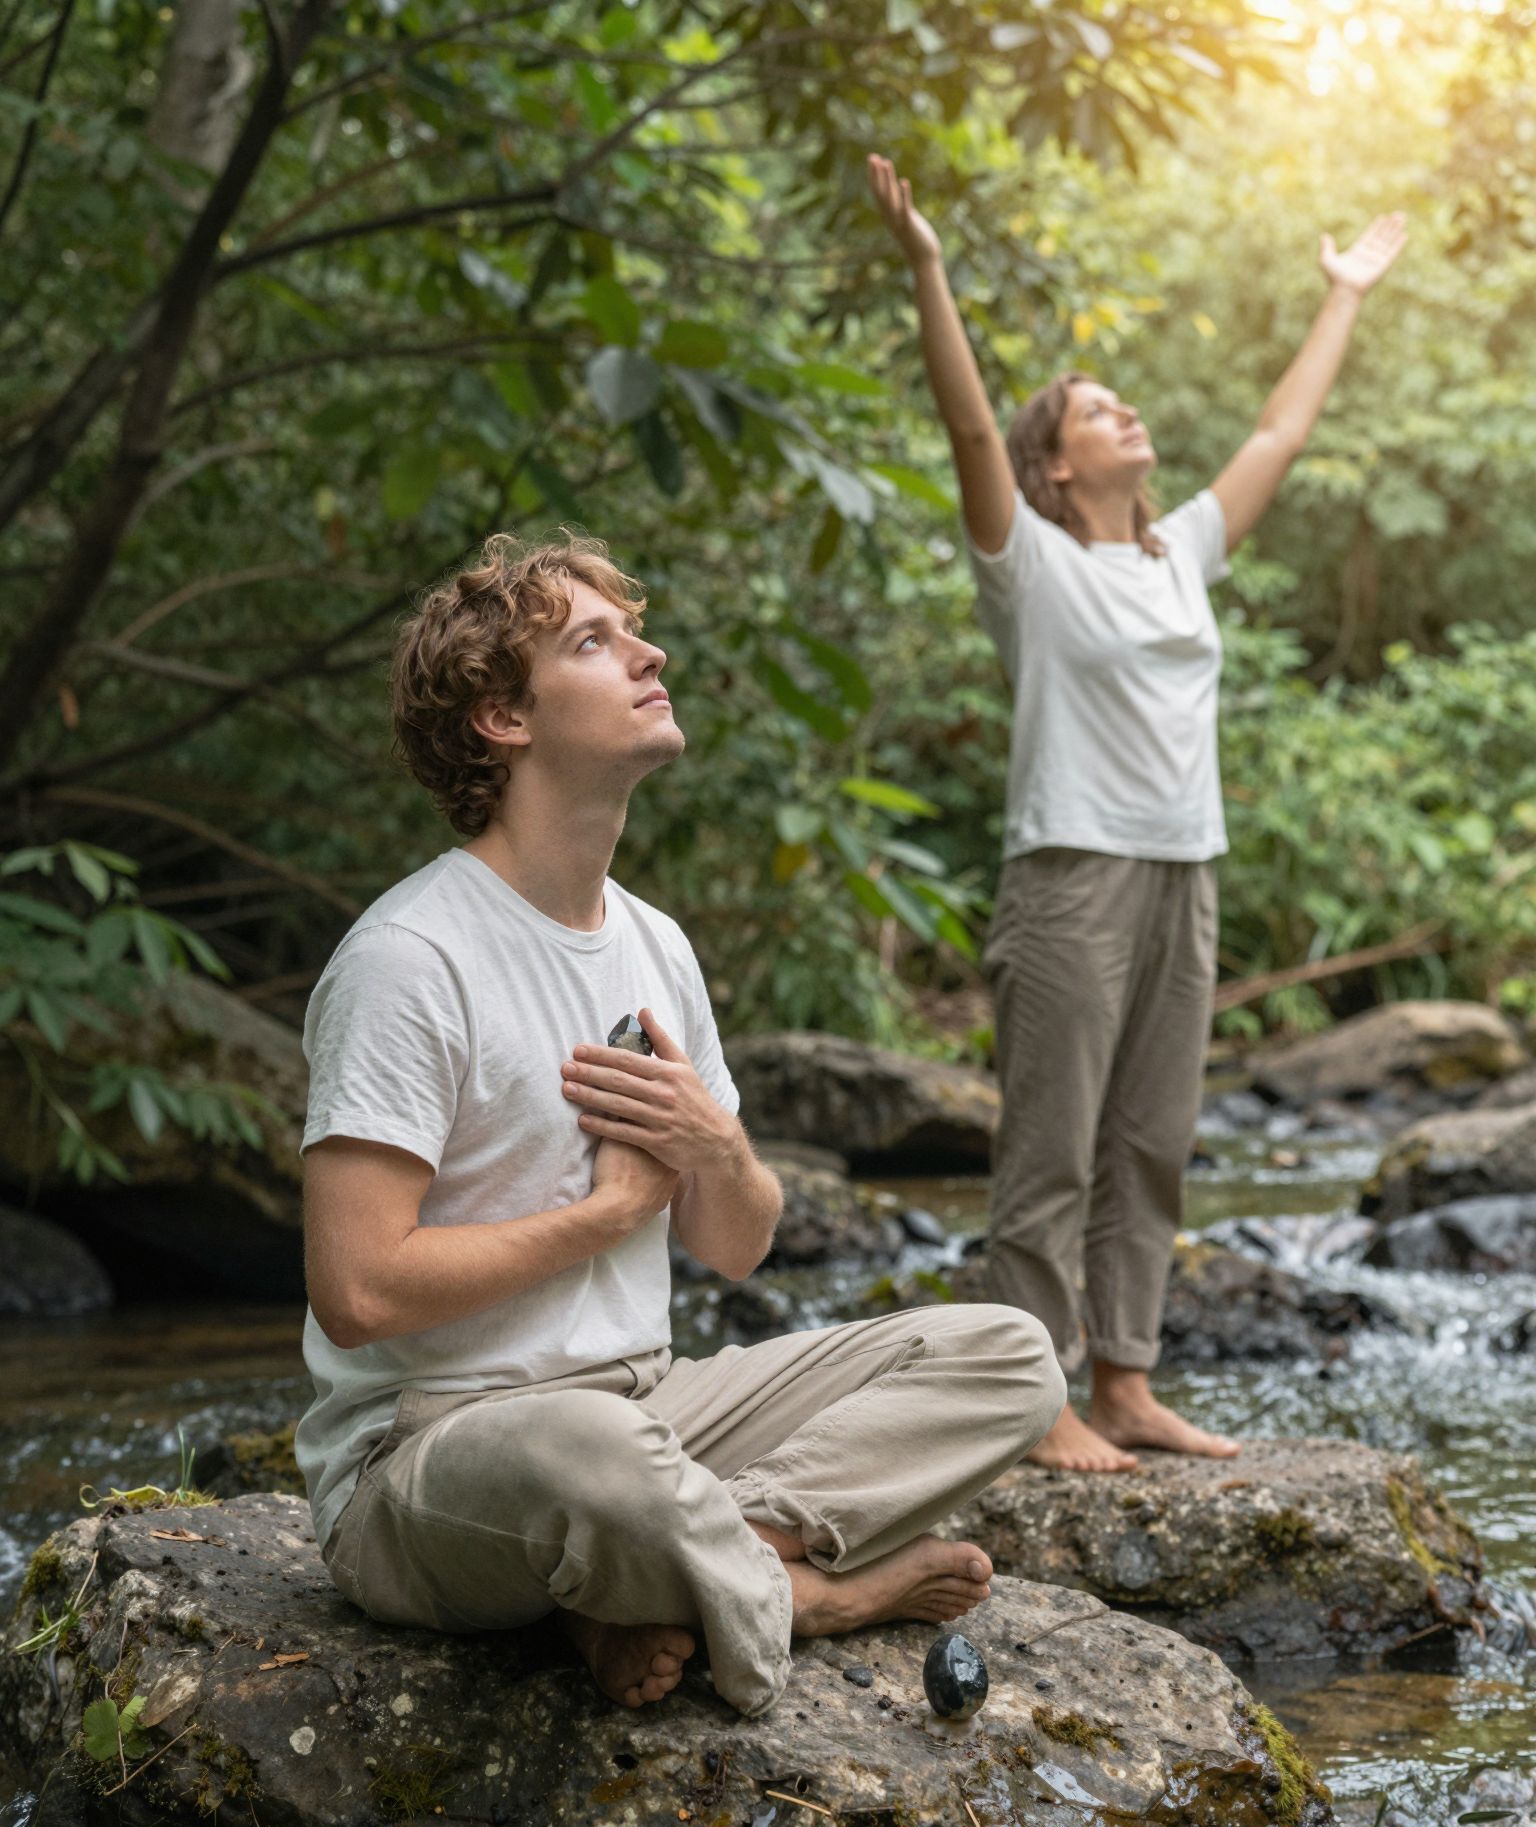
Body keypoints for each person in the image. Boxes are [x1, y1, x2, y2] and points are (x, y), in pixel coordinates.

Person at [294, 532, 1067, 1716]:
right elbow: (356, 1289)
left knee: (1009, 1355)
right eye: (594, 642)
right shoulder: (409, 958)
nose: (648, 654)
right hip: (428, 1451)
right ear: (505, 716)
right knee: (590, 1456)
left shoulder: (656, 944)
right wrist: (605, 1214)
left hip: (651, 1411)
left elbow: (737, 1244)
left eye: (633, 632)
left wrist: (715, 1146)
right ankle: (798, 1593)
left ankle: (659, 1576)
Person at [869, 152, 1406, 1472]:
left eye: (1121, 401)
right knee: (1051, 1146)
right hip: (1071, 874)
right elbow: (971, 432)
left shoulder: (1182, 556)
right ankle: (1033, 1398)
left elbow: (1278, 436)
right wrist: (929, 268)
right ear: (1057, 464)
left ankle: (1124, 1380)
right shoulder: (1029, 564)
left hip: (1185, 871)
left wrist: (1343, 292)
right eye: (1097, 410)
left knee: (1152, 1139)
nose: (1126, 413)